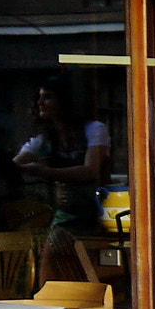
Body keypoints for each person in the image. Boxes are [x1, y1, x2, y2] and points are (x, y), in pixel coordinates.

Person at [12, 77, 110, 282]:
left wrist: (45, 171)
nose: (40, 103)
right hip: (63, 215)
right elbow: (15, 164)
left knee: (87, 272)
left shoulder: (94, 129)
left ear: (64, 101)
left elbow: (90, 171)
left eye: (47, 97)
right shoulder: (44, 139)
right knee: (50, 267)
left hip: (96, 213)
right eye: (39, 98)